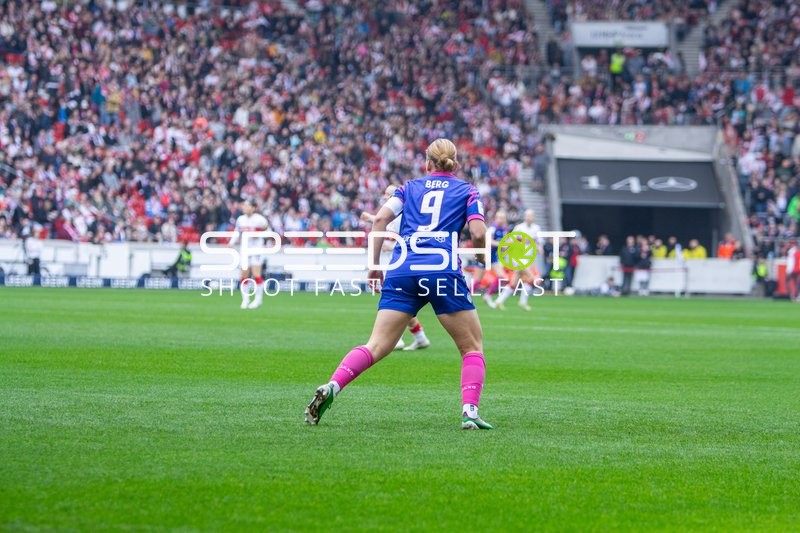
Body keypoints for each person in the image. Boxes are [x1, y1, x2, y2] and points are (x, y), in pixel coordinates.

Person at [305, 138, 493, 430]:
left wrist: (375, 266)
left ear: (427, 163)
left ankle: (333, 385)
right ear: (455, 164)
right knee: (471, 348)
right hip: (441, 271)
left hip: (403, 270)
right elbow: (479, 232)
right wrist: (482, 255)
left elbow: (379, 220)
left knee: (376, 345)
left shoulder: (408, 187)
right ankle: (469, 412)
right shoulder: (468, 191)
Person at [360, 185, 432, 351]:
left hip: (400, 264)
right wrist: (370, 217)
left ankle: (396, 338)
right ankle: (420, 338)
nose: (385, 197)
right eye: (385, 193)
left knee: (395, 301)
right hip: (395, 264)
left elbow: (406, 240)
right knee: (402, 302)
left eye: (389, 194)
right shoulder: (399, 215)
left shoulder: (403, 217)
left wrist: (388, 247)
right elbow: (383, 221)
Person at [494, 208, 541, 310]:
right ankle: (523, 301)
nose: (529, 218)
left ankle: (499, 301)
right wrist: (505, 248)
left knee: (515, 282)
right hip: (518, 257)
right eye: (527, 216)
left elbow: (538, 242)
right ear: (525, 217)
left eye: (531, 216)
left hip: (528, 257)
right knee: (532, 278)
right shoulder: (519, 228)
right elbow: (511, 239)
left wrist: (540, 248)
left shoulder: (537, 228)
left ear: (533, 217)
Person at [229, 199, 269, 309]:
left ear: (253, 208)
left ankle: (258, 300)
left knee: (256, 274)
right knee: (244, 275)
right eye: (244, 206)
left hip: (256, 250)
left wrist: (259, 234)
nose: (245, 208)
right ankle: (245, 300)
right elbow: (237, 232)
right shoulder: (240, 220)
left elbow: (268, 231)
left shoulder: (260, 220)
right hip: (245, 249)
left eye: (247, 206)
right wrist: (231, 242)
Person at [482, 210, 512, 308]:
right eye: (499, 217)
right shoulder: (492, 229)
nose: (500, 220)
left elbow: (506, 242)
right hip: (490, 254)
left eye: (502, 218)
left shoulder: (505, 229)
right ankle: (488, 295)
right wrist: (502, 244)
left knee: (501, 278)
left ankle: (488, 295)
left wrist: (508, 244)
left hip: (499, 256)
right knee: (502, 277)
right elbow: (489, 241)